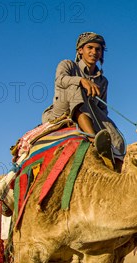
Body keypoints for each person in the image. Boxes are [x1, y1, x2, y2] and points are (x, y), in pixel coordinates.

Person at [42, 32, 125, 171]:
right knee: (76, 86)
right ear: (80, 50)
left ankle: (115, 174)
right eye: (90, 48)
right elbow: (60, 80)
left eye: (98, 49)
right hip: (62, 110)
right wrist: (81, 80)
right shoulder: (67, 65)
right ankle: (92, 138)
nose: (94, 52)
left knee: (117, 138)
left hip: (91, 112)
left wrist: (110, 129)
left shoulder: (102, 81)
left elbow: (102, 108)